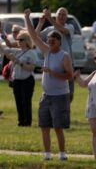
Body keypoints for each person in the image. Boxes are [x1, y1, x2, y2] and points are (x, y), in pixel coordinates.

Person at [24, 8, 73, 161]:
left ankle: (63, 154)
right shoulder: (47, 51)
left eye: (53, 41)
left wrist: (52, 72)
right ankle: (47, 154)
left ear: (59, 42)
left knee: (58, 128)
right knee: (44, 126)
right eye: (49, 41)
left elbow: (69, 75)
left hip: (60, 96)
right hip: (46, 96)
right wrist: (27, 18)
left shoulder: (64, 56)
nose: (50, 42)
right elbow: (33, 36)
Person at [36, 7, 75, 103]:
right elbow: (35, 37)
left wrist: (49, 18)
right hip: (52, 62)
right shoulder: (49, 29)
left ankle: (65, 113)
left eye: (64, 14)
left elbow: (62, 30)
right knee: (52, 89)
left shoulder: (69, 27)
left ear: (66, 17)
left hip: (66, 62)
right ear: (56, 16)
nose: (61, 16)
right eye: (59, 14)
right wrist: (41, 23)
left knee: (69, 93)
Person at [0, 31, 37, 126]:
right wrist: (2, 36)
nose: (18, 41)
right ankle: (20, 121)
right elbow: (4, 50)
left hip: (27, 80)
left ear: (27, 41)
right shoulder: (17, 51)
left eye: (21, 39)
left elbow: (31, 68)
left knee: (26, 102)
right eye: (17, 39)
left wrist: (17, 61)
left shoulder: (31, 53)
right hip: (17, 80)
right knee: (18, 101)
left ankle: (27, 122)